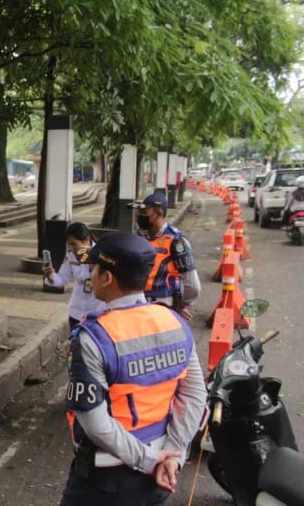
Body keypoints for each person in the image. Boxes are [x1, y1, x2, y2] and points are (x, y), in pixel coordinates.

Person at [60, 232, 207, 505]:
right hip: (161, 474)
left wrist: (149, 460)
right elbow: (194, 395)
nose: (91, 276)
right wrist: (172, 454)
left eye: (94, 270)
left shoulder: (93, 337)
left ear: (107, 278)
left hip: (105, 481)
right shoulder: (175, 323)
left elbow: (94, 421)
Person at [132, 192, 200, 320]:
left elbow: (193, 285)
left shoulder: (176, 241)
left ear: (158, 213)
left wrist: (182, 304)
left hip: (162, 307)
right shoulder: (139, 236)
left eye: (144, 212)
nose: (140, 216)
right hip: (137, 305)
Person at [42, 222, 106, 329]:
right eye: (69, 244)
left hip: (97, 312)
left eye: (74, 244)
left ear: (86, 240)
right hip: (76, 312)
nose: (71, 248)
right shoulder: (71, 256)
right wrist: (50, 276)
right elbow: (61, 280)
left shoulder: (102, 254)